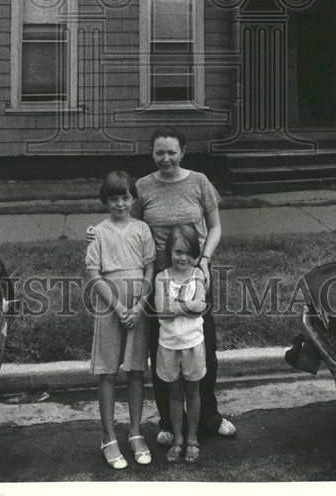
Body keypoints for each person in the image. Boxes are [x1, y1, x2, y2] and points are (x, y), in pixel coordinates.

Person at [131, 126, 236, 444]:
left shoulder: (200, 182)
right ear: (152, 153)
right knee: (162, 348)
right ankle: (167, 421)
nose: (165, 158)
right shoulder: (143, 186)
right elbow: (132, 226)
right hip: (160, 279)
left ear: (183, 152)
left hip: (196, 275)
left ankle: (209, 416)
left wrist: (204, 260)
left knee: (203, 345)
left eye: (171, 152)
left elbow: (215, 226)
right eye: (159, 152)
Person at [85, 170, 156, 470]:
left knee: (136, 369)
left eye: (125, 197)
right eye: (113, 198)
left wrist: (139, 306)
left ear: (133, 199)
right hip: (109, 306)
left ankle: (136, 432)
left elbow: (150, 268)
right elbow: (94, 274)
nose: (120, 204)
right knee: (107, 371)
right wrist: (116, 306)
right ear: (106, 201)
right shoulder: (98, 232)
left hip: (138, 305)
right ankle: (109, 437)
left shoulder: (142, 229)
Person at [154, 225, 207, 464]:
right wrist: (187, 307)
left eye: (188, 252)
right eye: (177, 252)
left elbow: (201, 306)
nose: (182, 257)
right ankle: (178, 439)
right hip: (168, 344)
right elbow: (161, 312)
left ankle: (193, 439)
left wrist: (175, 307)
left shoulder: (198, 275)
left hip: (193, 343)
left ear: (195, 254)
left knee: (193, 391)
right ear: (169, 252)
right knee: (174, 393)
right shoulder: (161, 278)